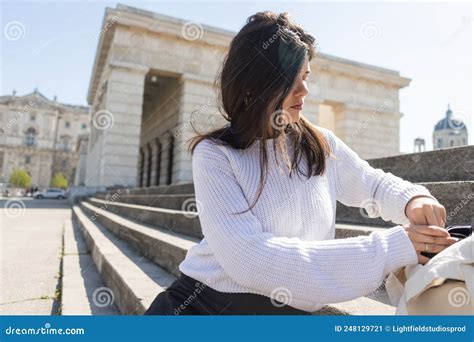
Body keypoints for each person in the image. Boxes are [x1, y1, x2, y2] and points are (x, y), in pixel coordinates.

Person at [144, 11, 456, 315]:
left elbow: (373, 184)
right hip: (203, 307)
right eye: (290, 79)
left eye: (305, 76)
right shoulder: (215, 154)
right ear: (253, 84)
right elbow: (252, 259)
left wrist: (413, 199)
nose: (304, 90)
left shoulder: (320, 143)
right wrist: (390, 249)